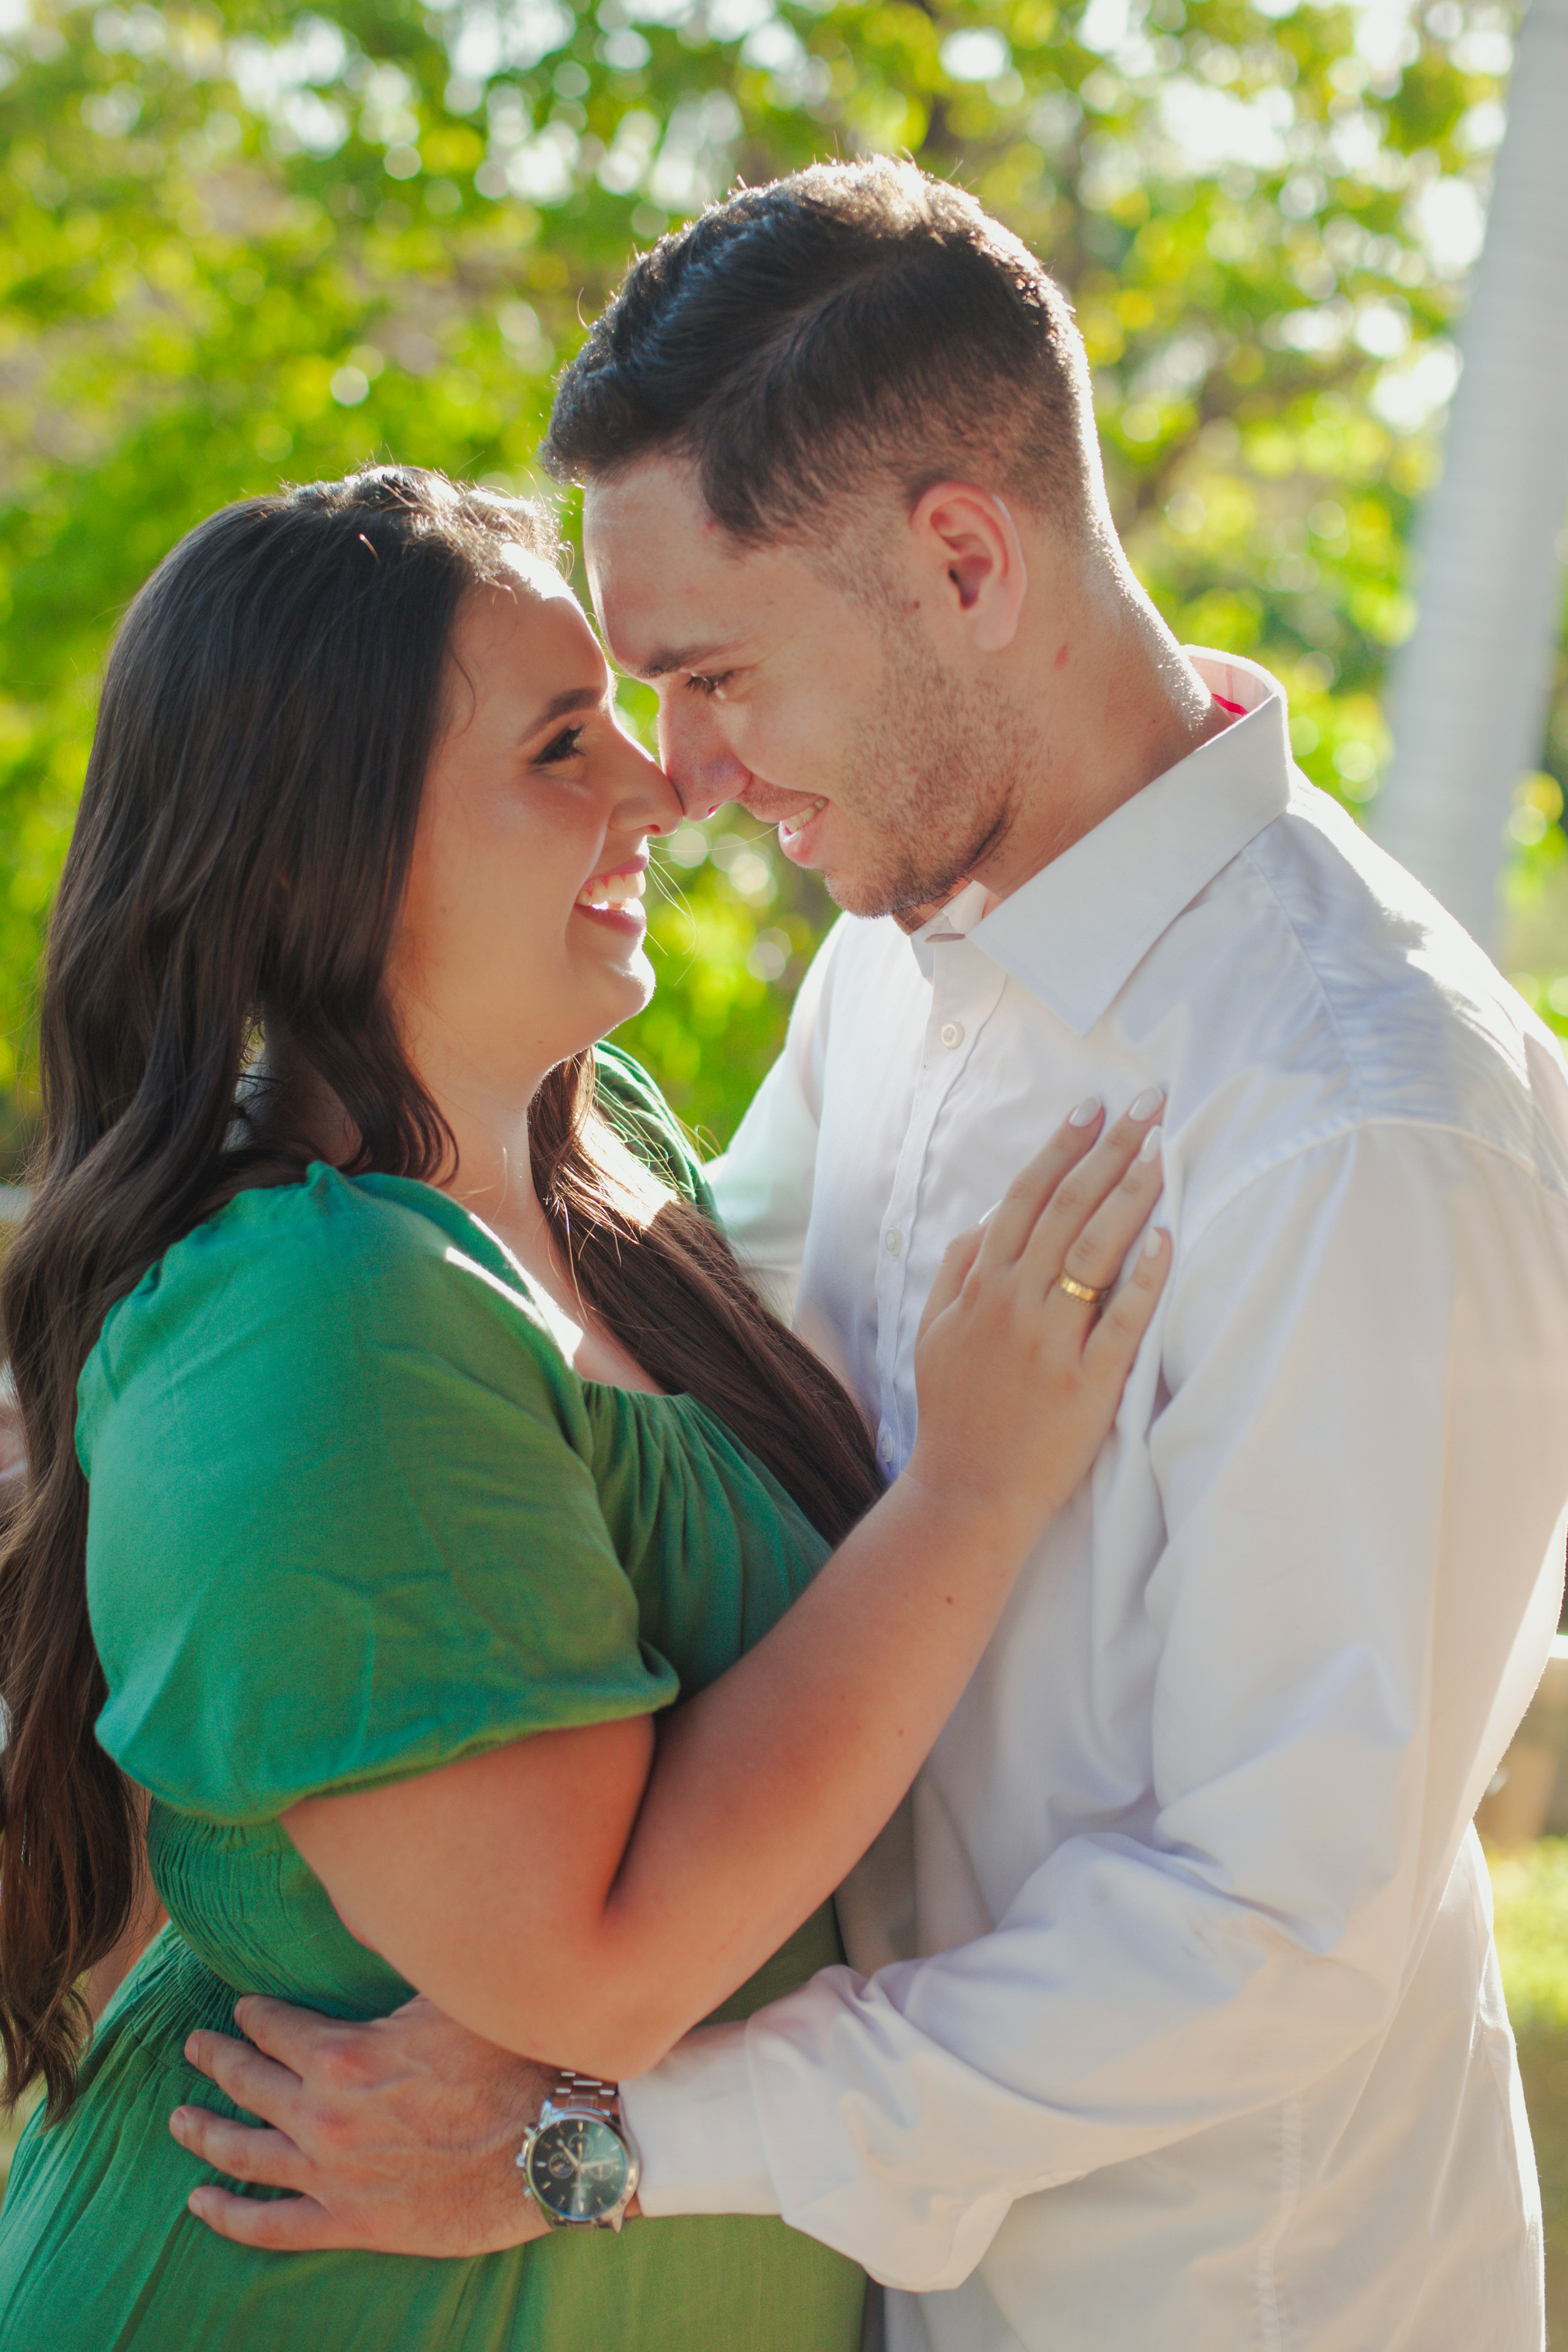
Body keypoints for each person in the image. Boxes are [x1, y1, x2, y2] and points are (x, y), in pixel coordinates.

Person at [179, 163, 1568, 2350]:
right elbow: (654, 1445)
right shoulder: (899, 969)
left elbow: (1270, 1927)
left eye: (715, 678)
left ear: (961, 559)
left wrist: (606, 2129)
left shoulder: (1364, 1121)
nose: (690, 777)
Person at [0, 463, 1172, 2351]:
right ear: (328, 835)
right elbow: (595, 1973)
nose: (659, 785)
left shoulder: (604, 1178)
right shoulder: (315, 1311)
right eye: (565, 746)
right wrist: (968, 1492)